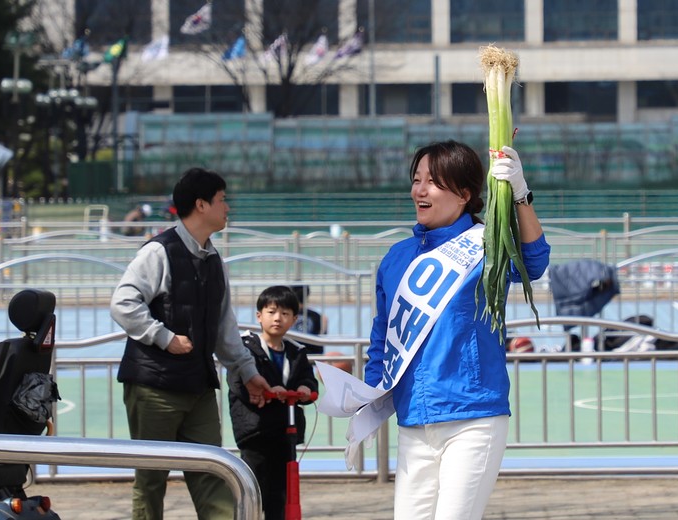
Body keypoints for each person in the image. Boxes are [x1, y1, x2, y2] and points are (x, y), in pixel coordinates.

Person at [363, 141, 550, 520]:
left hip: (473, 416)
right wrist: (366, 400)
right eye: (416, 180)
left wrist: (520, 194)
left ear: (464, 195)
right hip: (414, 419)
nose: (420, 190)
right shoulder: (397, 256)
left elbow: (534, 263)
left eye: (432, 182)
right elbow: (383, 335)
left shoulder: (486, 246)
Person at [110, 167, 271, 520]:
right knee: (151, 481)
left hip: (198, 388)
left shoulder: (214, 260)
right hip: (154, 387)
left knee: (215, 475)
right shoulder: (158, 252)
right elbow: (122, 303)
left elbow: (224, 327)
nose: (227, 207)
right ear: (201, 205)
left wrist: (247, 371)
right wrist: (164, 337)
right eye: (222, 200)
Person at [228, 285, 319, 520]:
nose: (278, 318)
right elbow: (239, 382)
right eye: (271, 312)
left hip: (285, 433)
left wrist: (306, 389)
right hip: (255, 431)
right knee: (253, 488)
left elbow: (308, 379)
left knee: (280, 492)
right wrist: (269, 389)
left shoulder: (297, 352)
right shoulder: (246, 348)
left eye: (285, 313)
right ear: (259, 316)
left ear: (295, 319)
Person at [289, 285, 328, 354]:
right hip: (312, 354)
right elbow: (321, 339)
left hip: (291, 354)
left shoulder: (285, 315)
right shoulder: (319, 317)